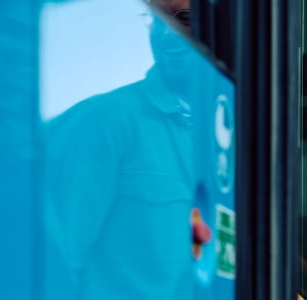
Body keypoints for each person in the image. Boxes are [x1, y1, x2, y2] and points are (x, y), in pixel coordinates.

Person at [44, 0, 215, 298]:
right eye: (157, 20)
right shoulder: (101, 123)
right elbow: (55, 266)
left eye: (182, 18)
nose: (165, 34)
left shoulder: (238, 134)